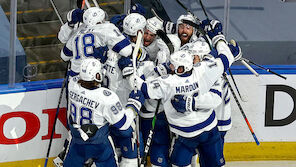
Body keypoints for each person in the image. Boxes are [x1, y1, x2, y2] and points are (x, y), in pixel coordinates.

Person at [127, 19, 242, 166]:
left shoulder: (169, 82)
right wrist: (218, 38)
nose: (170, 65)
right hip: (198, 131)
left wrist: (133, 74)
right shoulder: (206, 68)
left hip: (197, 132)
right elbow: (227, 57)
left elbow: (142, 87)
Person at [63, 58, 145, 167]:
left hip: (76, 142)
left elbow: (80, 78)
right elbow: (123, 124)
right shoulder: (106, 97)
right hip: (99, 145)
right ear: (97, 75)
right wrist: (134, 104)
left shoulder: (72, 85)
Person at [60, 7, 132, 78]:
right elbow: (127, 50)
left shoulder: (78, 32)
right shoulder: (107, 28)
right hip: (93, 78)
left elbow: (64, 56)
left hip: (75, 79)